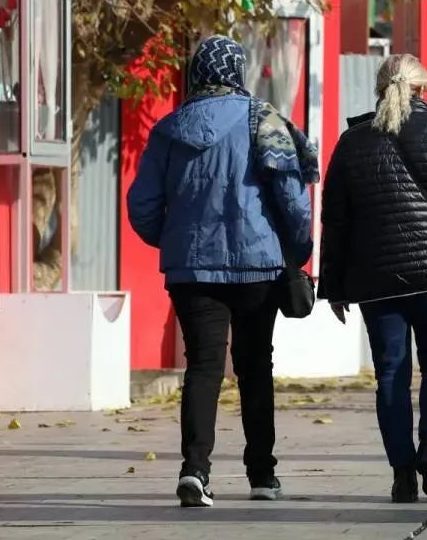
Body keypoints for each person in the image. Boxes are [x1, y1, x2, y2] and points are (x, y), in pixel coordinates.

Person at [127, 35, 315, 508]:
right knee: (255, 366)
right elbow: (291, 193)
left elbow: (142, 205)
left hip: (192, 269)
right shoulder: (262, 119)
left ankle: (195, 471)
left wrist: (174, 239)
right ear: (237, 71)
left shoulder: (169, 127)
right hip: (258, 265)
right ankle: (262, 477)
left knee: (203, 366)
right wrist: (299, 247)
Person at [319, 54, 427, 503]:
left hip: (376, 282)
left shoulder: (352, 143)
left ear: (380, 89)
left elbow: (334, 220)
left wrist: (333, 285)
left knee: (390, 374)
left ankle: (402, 473)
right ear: (423, 89)